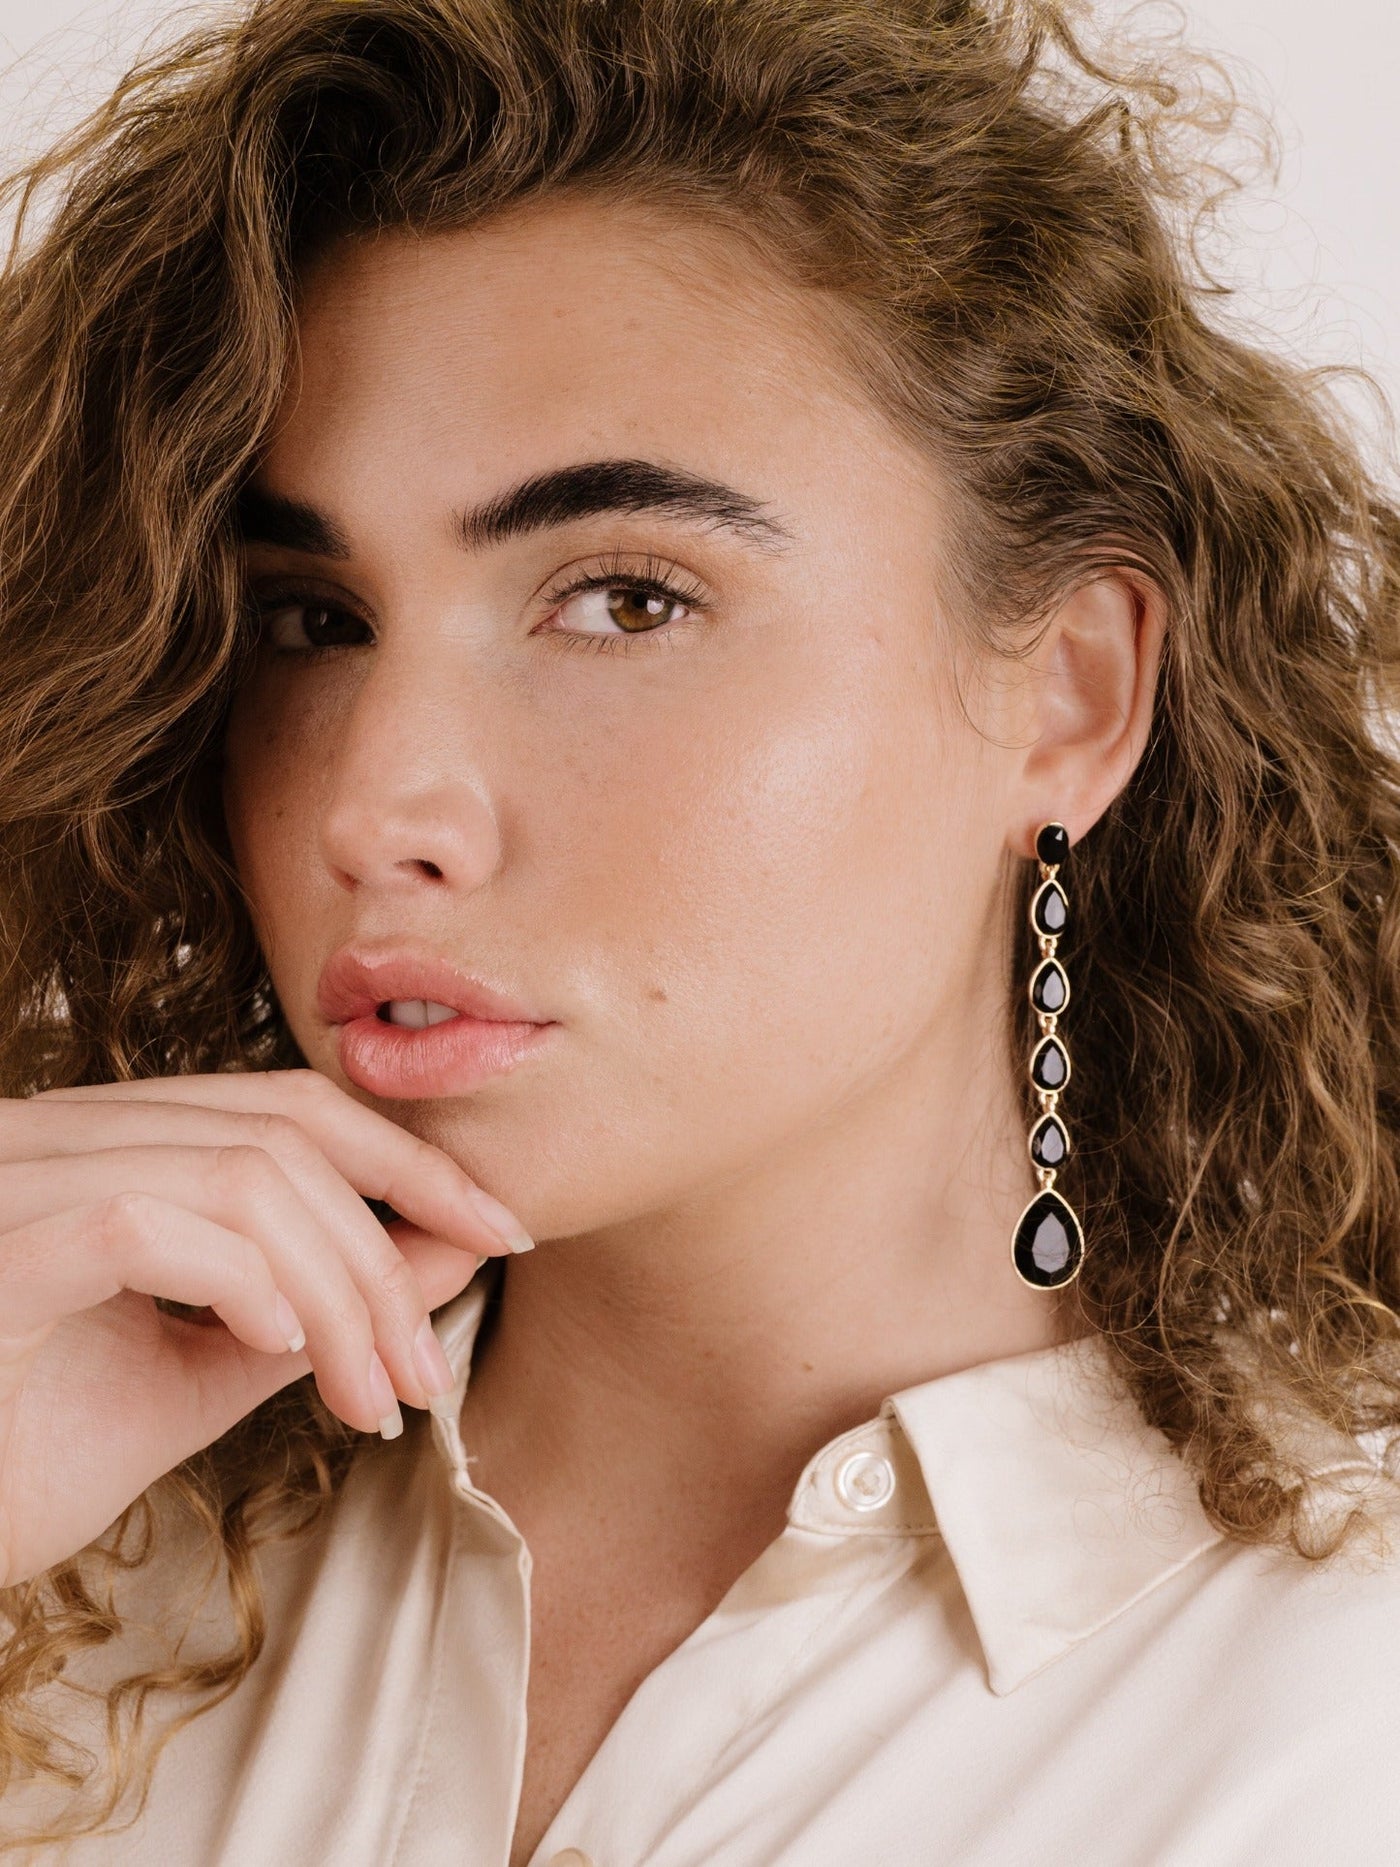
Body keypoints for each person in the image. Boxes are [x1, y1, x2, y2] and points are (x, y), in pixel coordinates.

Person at [3, 0, 1400, 1859]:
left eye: (627, 601)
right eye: (309, 619)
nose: (373, 808)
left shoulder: (1340, 1716)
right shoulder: (68, 1552)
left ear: (1067, 695)